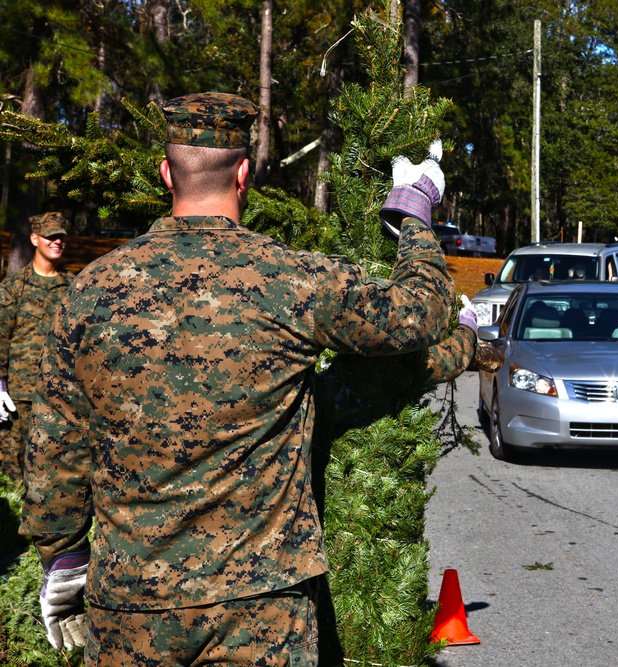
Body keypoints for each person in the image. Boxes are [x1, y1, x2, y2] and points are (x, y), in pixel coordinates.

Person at [19, 92, 455, 665]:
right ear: (244, 173)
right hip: (261, 606)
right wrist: (414, 208)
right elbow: (420, 312)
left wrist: (62, 559)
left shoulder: (89, 292)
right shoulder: (292, 280)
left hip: (129, 600)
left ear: (166, 174)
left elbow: (56, 446)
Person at [0, 212, 73, 486]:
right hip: (19, 396)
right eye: (50, 236)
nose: (57, 242)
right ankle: (10, 525)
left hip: (61, 395)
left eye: (61, 237)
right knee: (13, 466)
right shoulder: (14, 287)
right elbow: (1, 335)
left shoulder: (74, 287)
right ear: (34, 239)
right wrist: (0, 385)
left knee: (56, 468)